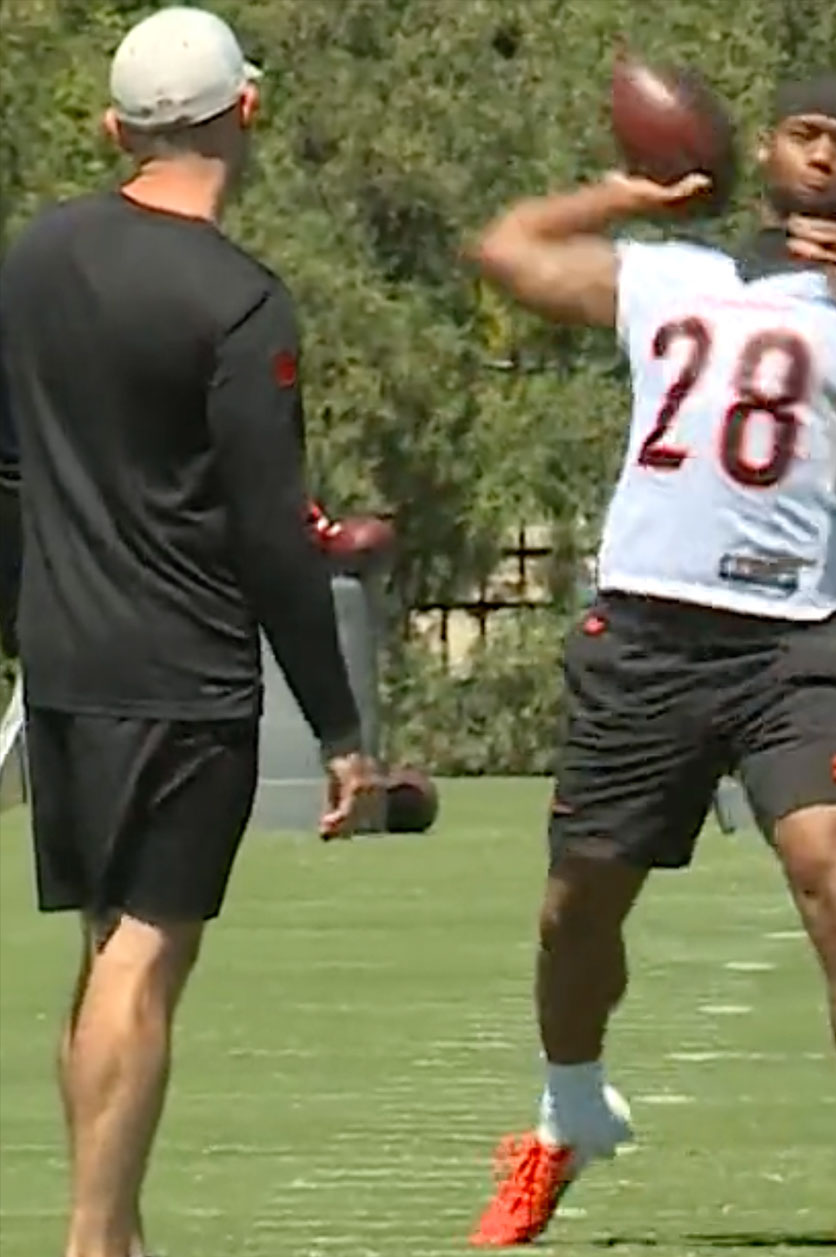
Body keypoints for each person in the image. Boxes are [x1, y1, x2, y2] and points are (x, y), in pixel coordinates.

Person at [462, 74, 836, 1256]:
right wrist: (628, 188)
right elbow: (502, 249)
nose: (822, 160)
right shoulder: (669, 271)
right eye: (806, 135)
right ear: (764, 148)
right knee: (576, 910)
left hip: (790, 642)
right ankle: (566, 1116)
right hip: (646, 632)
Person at [0, 8, 379, 1257]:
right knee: (146, 960)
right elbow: (275, 533)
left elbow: (8, 474)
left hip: (64, 664)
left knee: (106, 946)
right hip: (184, 670)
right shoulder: (240, 301)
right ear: (245, 115)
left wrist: (30, 618)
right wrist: (338, 725)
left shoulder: (36, 256)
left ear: (118, 129)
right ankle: (95, 1243)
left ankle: (114, 1226)